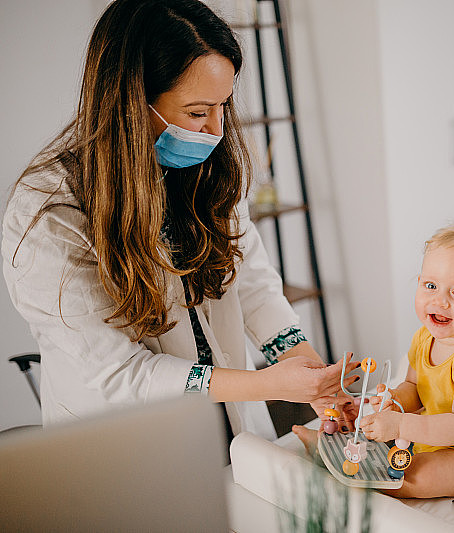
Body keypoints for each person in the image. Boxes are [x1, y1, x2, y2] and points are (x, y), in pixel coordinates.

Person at [2, 0, 358, 437]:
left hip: (230, 419)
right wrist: (264, 383)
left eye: (223, 106)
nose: (216, 130)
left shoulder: (208, 169)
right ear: (131, 102)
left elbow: (249, 280)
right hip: (128, 441)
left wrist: (302, 363)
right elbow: (120, 374)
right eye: (196, 112)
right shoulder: (49, 213)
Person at [295, 222, 454, 498]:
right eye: (431, 286)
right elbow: (415, 388)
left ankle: (352, 474)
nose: (440, 301)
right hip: (437, 434)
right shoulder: (423, 337)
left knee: (420, 474)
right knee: (384, 439)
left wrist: (401, 424)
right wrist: (394, 401)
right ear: (419, 283)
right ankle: (331, 451)